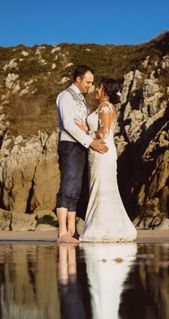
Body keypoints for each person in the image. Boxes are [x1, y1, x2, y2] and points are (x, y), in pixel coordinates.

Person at [74, 78, 137, 242]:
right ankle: (109, 227)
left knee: (100, 188)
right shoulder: (108, 107)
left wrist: (85, 132)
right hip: (101, 152)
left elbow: (103, 132)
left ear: (105, 91)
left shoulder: (104, 107)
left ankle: (101, 229)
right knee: (104, 188)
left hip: (101, 152)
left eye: (99, 87)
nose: (96, 89)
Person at [55, 65, 108, 244]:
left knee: (76, 189)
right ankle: (62, 232)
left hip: (81, 146)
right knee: (67, 186)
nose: (90, 86)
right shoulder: (65, 96)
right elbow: (69, 125)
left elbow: (83, 125)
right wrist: (91, 142)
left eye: (92, 83)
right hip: (69, 145)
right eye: (88, 82)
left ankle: (72, 231)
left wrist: (88, 132)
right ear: (77, 79)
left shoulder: (83, 101)